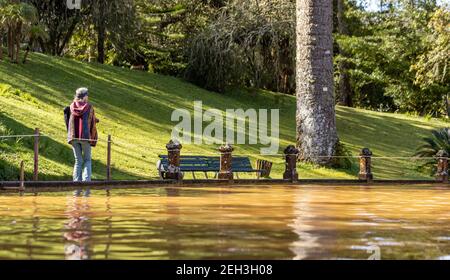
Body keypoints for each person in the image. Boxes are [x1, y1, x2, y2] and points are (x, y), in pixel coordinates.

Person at [66, 87, 99, 182]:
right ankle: (86, 182)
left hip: (73, 136)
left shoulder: (71, 106)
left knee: (78, 161)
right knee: (87, 160)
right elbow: (92, 122)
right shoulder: (89, 107)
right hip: (85, 137)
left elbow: (69, 120)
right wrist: (93, 138)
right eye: (87, 95)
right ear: (85, 97)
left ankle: (76, 183)